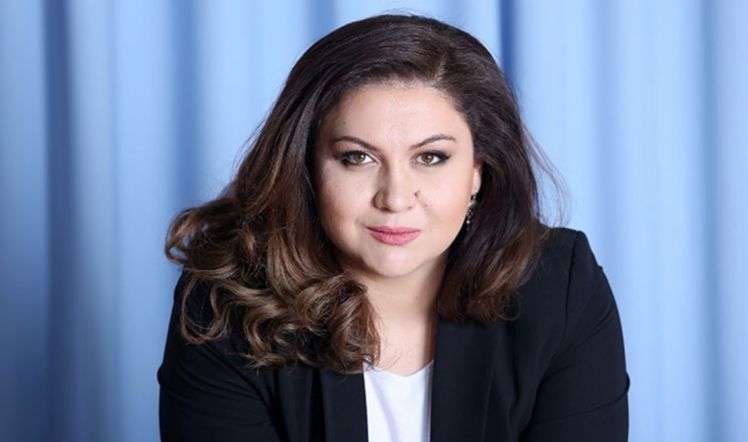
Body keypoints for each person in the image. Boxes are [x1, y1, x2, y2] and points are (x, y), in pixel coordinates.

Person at [157, 12, 629, 442]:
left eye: (431, 158)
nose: (396, 198)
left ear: (478, 172)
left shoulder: (559, 286)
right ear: (308, 170)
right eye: (357, 158)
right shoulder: (225, 301)